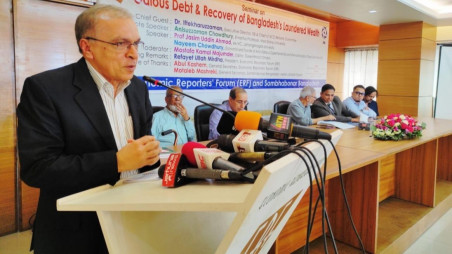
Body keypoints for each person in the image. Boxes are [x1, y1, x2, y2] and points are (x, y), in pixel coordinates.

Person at [16, 5, 161, 254]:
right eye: (121, 44)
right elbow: (37, 169)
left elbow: (140, 157)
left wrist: (152, 156)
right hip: (77, 234)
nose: (134, 54)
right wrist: (115, 162)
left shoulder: (138, 88)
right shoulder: (46, 89)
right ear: (87, 47)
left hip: (135, 224)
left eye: (137, 43)